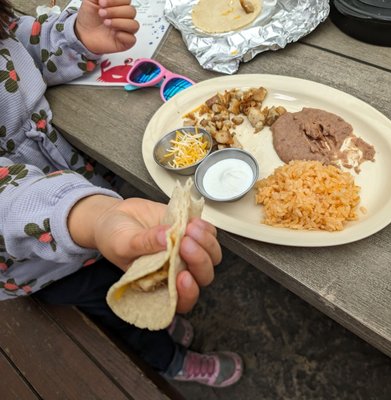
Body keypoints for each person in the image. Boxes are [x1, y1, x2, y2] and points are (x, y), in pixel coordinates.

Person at [0, 0, 242, 388]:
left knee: (141, 271)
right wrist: (93, 218)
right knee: (122, 309)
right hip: (40, 262)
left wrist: (76, 38)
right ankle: (171, 361)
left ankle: (166, 320)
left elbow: (22, 46)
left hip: (86, 191)